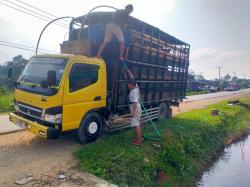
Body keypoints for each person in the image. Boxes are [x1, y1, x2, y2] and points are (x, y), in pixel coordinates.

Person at [127, 70, 142, 146]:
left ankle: (138, 141)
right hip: (136, 108)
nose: (128, 86)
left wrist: (132, 113)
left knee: (137, 124)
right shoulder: (136, 86)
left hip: (135, 109)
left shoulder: (133, 92)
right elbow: (132, 78)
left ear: (132, 85)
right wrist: (129, 72)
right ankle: (137, 138)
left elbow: (135, 103)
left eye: (129, 85)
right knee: (136, 124)